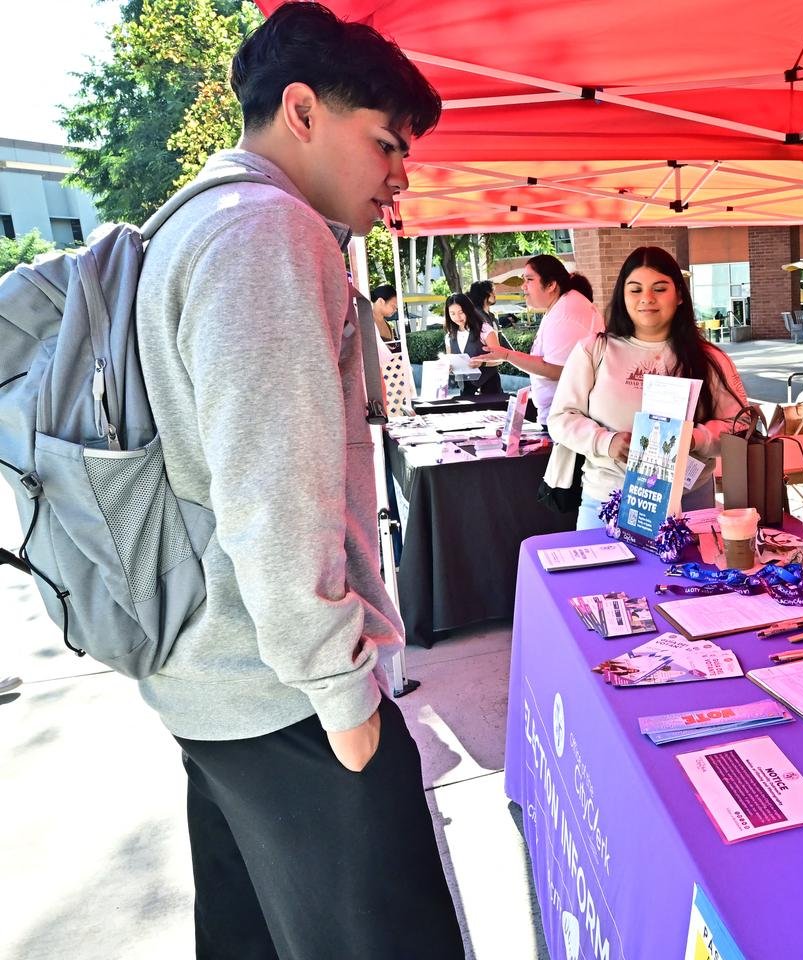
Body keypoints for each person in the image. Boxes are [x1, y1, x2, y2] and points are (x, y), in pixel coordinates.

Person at [133, 5, 465, 957]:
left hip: (223, 683)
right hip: (287, 697)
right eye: (387, 144)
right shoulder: (267, 232)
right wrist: (346, 697)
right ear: (304, 111)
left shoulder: (191, 223)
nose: (402, 175)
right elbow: (274, 500)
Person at [548, 246, 750, 530]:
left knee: (682, 576)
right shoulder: (594, 351)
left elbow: (740, 426)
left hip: (690, 505)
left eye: (659, 288)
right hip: (607, 501)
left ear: (679, 295)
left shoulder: (709, 359)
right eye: (635, 289)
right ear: (622, 296)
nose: (647, 299)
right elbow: (560, 419)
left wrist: (695, 438)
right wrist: (606, 442)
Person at [478, 254, 600, 426]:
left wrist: (507, 355)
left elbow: (556, 369)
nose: (523, 286)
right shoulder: (560, 306)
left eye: (529, 279)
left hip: (569, 422)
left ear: (551, 285)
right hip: (561, 418)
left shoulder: (566, 312)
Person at [443, 292, 501, 396]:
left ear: (468, 310)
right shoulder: (449, 336)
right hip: (466, 391)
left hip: (490, 387)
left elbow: (500, 358)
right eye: (452, 313)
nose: (457, 317)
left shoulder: (485, 329)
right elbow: (450, 361)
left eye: (461, 312)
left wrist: (482, 363)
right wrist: (448, 368)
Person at [370, 281, 399, 347]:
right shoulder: (364, 320)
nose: (395, 310)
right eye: (393, 306)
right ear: (381, 301)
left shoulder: (388, 325)